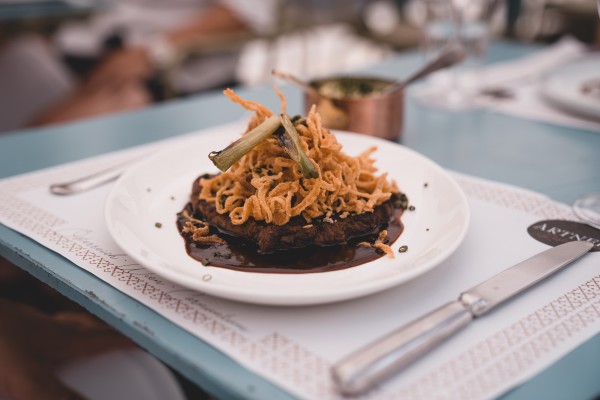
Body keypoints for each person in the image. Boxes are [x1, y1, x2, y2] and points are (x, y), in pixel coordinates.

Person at [0, 0, 278, 132]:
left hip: (165, 71)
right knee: (17, 55)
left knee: (37, 135)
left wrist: (152, 52)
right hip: (85, 43)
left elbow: (245, 12)